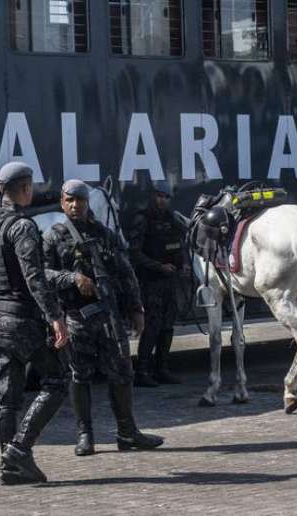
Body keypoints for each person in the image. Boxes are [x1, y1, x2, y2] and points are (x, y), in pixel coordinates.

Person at [43, 179, 163, 456]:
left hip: (109, 318)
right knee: (79, 375)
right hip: (76, 317)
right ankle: (85, 434)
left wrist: (136, 308)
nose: (75, 205)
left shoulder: (104, 234)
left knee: (122, 373)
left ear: (87, 202)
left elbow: (126, 272)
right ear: (62, 203)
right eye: (70, 200)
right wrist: (72, 278)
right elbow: (42, 274)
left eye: (80, 200)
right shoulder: (53, 236)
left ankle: (127, 432)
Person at [0, 161, 69, 485]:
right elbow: (34, 278)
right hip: (21, 321)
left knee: (7, 396)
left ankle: (9, 468)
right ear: (26, 188)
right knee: (57, 381)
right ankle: (19, 449)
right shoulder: (22, 226)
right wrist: (56, 317)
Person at [128, 181, 189, 387]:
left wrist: (184, 265)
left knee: (167, 326)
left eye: (166, 197)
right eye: (159, 196)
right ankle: (142, 371)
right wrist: (158, 266)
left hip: (170, 281)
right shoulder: (142, 219)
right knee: (151, 327)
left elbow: (181, 244)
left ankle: (162, 368)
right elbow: (134, 253)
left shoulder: (172, 219)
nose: (162, 200)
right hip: (150, 282)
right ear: (152, 197)